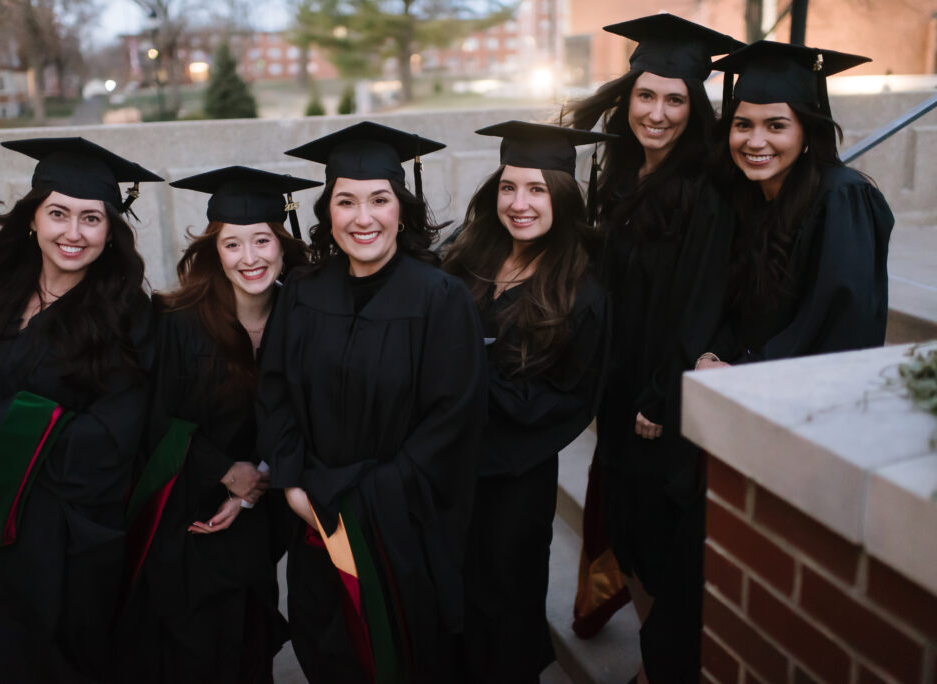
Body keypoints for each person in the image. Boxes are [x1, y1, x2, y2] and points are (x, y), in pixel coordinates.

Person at [0, 137, 161, 682]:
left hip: (61, 545)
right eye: (58, 214)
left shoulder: (128, 316)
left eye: (91, 219)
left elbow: (114, 437)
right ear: (32, 219)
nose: (73, 233)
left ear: (110, 230)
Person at [255, 121, 487, 683]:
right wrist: (291, 485)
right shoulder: (304, 293)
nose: (364, 218)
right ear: (327, 213)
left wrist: (369, 498)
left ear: (401, 210)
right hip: (313, 515)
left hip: (401, 524)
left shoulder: (441, 298)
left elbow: (452, 419)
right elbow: (275, 391)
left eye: (379, 200)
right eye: (347, 202)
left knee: (400, 654)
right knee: (326, 646)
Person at [566, 14, 742, 683]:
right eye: (647, 95)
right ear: (627, 96)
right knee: (630, 535)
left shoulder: (706, 188)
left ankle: (664, 667)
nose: (658, 112)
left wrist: (664, 395)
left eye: (676, 99)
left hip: (656, 400)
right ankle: (654, 659)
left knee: (658, 537)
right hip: (616, 386)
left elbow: (701, 300)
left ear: (695, 107)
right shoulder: (614, 171)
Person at [118, 167, 320, 683]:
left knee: (250, 636)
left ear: (282, 244)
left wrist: (262, 478)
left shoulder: (306, 317)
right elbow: (157, 418)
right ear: (215, 250)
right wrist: (228, 473)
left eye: (262, 240)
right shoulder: (177, 321)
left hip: (266, 507)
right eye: (233, 244)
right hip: (189, 505)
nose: (249, 258)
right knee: (196, 639)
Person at [442, 120, 612, 683]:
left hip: (512, 477)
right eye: (509, 187)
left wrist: (473, 379)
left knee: (504, 605)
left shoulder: (580, 288)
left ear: (563, 196)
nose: (519, 203)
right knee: (449, 600)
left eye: (537, 189)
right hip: (442, 468)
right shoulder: (464, 258)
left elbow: (568, 399)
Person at [698, 41, 893, 367]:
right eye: (743, 124)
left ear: (807, 133)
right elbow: (744, 310)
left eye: (776, 125)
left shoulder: (842, 198)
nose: (755, 141)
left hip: (804, 395)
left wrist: (744, 372)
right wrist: (712, 354)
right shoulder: (752, 198)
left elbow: (837, 326)